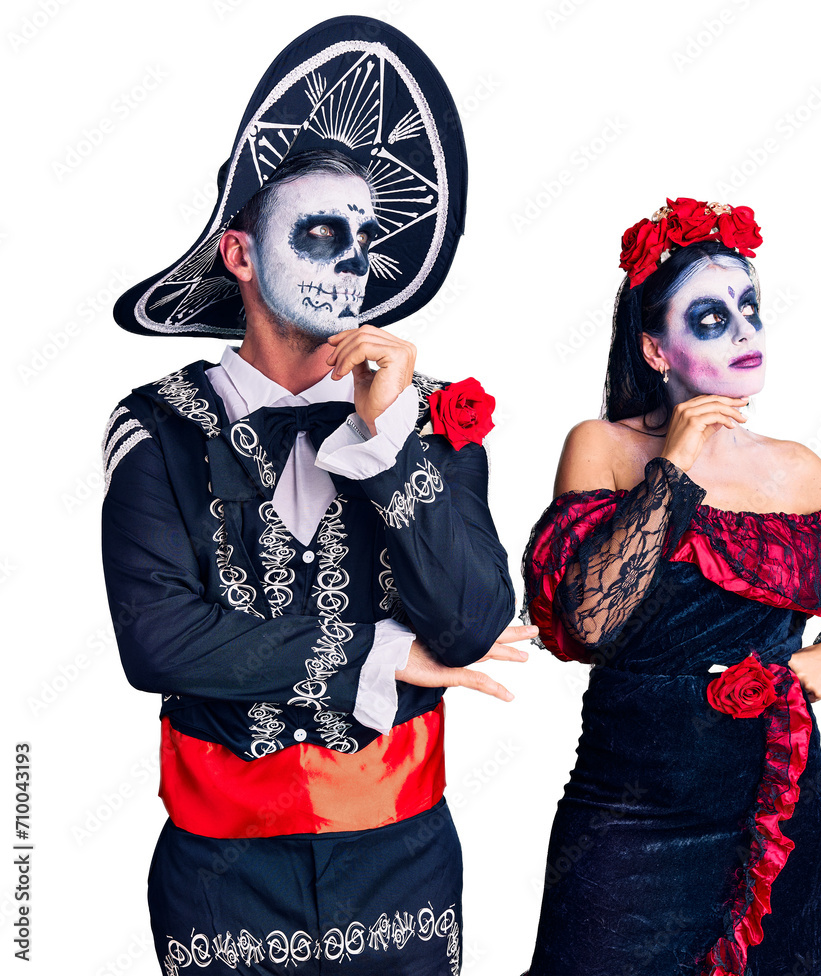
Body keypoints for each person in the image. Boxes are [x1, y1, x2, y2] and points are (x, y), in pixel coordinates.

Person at [102, 18, 528, 975]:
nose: (351, 262)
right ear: (242, 256)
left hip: (403, 858)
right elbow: (159, 641)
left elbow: (469, 624)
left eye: (364, 238)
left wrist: (386, 440)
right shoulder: (159, 423)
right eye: (321, 233)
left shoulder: (431, 418)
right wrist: (384, 654)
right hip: (220, 867)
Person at [521, 197, 821, 975]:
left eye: (750, 308)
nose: (744, 331)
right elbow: (587, 624)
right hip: (628, 813)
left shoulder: (797, 468)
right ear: (655, 350)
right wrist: (674, 470)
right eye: (710, 318)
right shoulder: (602, 447)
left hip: (777, 804)